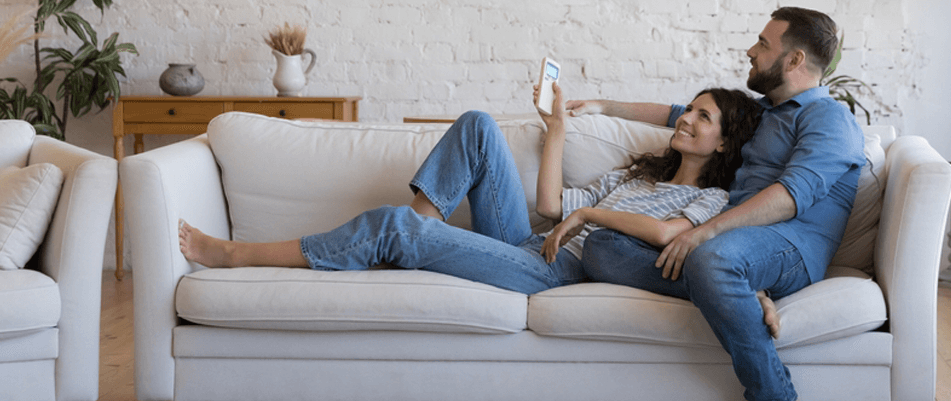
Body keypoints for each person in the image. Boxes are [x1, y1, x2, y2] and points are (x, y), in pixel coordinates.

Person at [177, 84, 762, 297]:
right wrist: (556, 129)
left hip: (561, 270)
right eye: (689, 112)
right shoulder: (640, 174)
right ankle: (409, 239)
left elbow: (665, 235)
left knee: (392, 228)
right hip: (533, 244)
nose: (685, 120)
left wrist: (595, 220)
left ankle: (233, 254)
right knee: (479, 125)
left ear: (723, 144)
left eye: (703, 118)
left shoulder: (710, 202)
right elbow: (551, 208)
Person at [566, 7, 866, 401]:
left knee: (713, 259)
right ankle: (741, 294)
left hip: (790, 245)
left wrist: (705, 233)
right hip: (733, 242)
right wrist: (603, 106)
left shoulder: (829, 117)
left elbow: (792, 196)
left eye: (763, 43)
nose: (750, 51)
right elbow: (676, 115)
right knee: (602, 245)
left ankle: (775, 394)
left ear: (794, 60)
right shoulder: (764, 113)